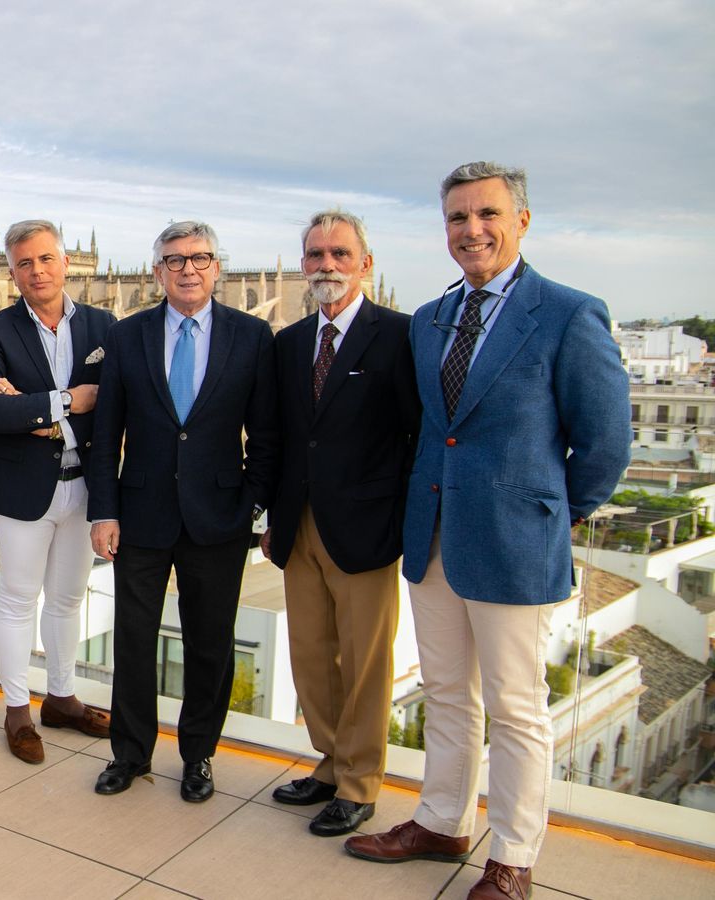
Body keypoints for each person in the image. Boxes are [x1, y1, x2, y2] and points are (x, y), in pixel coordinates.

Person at [345, 163, 631, 900]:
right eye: (456, 218)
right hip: (432, 532)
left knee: (516, 706)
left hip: (513, 540)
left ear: (522, 221)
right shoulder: (434, 317)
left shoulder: (569, 313)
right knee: (445, 691)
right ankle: (441, 821)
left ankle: (513, 856)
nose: (471, 230)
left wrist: (550, 515)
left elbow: (604, 444)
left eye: (486, 215)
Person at [87, 220, 275, 802]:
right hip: (140, 513)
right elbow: (106, 429)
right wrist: (104, 510)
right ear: (157, 271)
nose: (187, 269)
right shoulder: (128, 335)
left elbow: (266, 434)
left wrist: (252, 505)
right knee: (135, 641)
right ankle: (130, 755)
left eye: (199, 258)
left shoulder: (252, 336)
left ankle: (198, 757)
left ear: (217, 268)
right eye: (175, 260)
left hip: (219, 517)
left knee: (210, 644)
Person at [261, 210, 419, 836]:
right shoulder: (291, 342)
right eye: (316, 255)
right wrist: (272, 517)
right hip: (298, 525)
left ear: (365, 263)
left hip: (368, 529)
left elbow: (415, 437)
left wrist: (403, 520)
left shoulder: (399, 336)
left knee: (365, 662)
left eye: (340, 254)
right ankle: (330, 763)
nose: (327, 265)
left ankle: (360, 783)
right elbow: (277, 437)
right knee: (310, 655)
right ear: (303, 264)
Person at [0, 219, 115, 765]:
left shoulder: (103, 325)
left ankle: (61, 697)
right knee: (16, 598)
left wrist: (31, 407)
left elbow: (116, 404)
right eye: (24, 263)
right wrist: (69, 402)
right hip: (22, 486)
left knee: (69, 599)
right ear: (11, 272)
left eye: (46, 259)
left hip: (86, 484)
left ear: (66, 262)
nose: (37, 271)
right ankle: (15, 709)